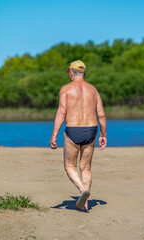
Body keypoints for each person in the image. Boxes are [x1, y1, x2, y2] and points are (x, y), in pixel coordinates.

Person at [49, 60, 107, 212]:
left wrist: (54, 135)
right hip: (91, 130)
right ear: (84, 73)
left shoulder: (66, 89)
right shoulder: (93, 90)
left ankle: (82, 190)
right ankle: (85, 204)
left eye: (69, 72)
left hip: (73, 130)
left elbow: (61, 113)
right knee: (86, 167)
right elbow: (101, 114)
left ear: (72, 72)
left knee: (69, 166)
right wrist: (103, 134)